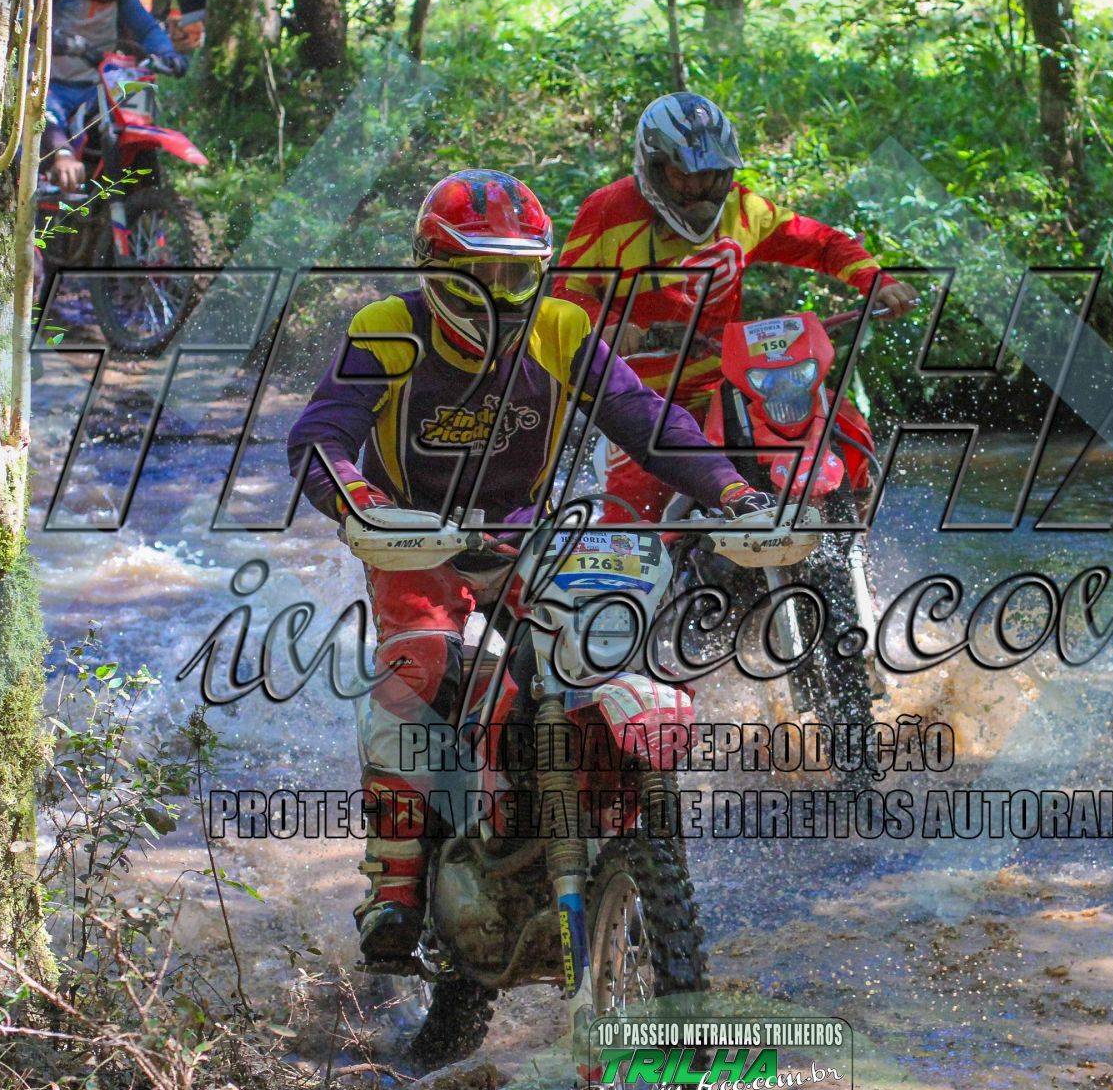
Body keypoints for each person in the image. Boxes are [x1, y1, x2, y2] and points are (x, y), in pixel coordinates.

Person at [285, 170, 769, 964]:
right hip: (414, 535)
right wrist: (363, 507)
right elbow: (320, 438)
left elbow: (646, 420)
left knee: (605, 642)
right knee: (422, 663)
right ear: (435, 270)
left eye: (515, 274)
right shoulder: (387, 328)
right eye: (478, 273)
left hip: (522, 532)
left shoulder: (560, 326)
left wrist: (734, 492)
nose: (499, 292)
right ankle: (395, 885)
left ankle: (619, 839)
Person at [551, 92, 920, 520]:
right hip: (643, 397)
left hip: (731, 389)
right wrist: (615, 326)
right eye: (683, 175)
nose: (697, 189)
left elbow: (822, 242)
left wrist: (876, 280)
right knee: (636, 507)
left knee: (843, 423)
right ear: (653, 166)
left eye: (710, 175)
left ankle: (853, 532)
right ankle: (626, 561)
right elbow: (565, 293)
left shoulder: (744, 210)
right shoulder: (607, 211)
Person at [40, 0, 188, 195]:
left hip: (99, 83)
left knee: (135, 110)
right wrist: (57, 40)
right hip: (49, 83)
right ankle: (57, 168)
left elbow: (144, 25)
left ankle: (144, 191)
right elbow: (25, 21)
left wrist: (167, 53)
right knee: (46, 120)